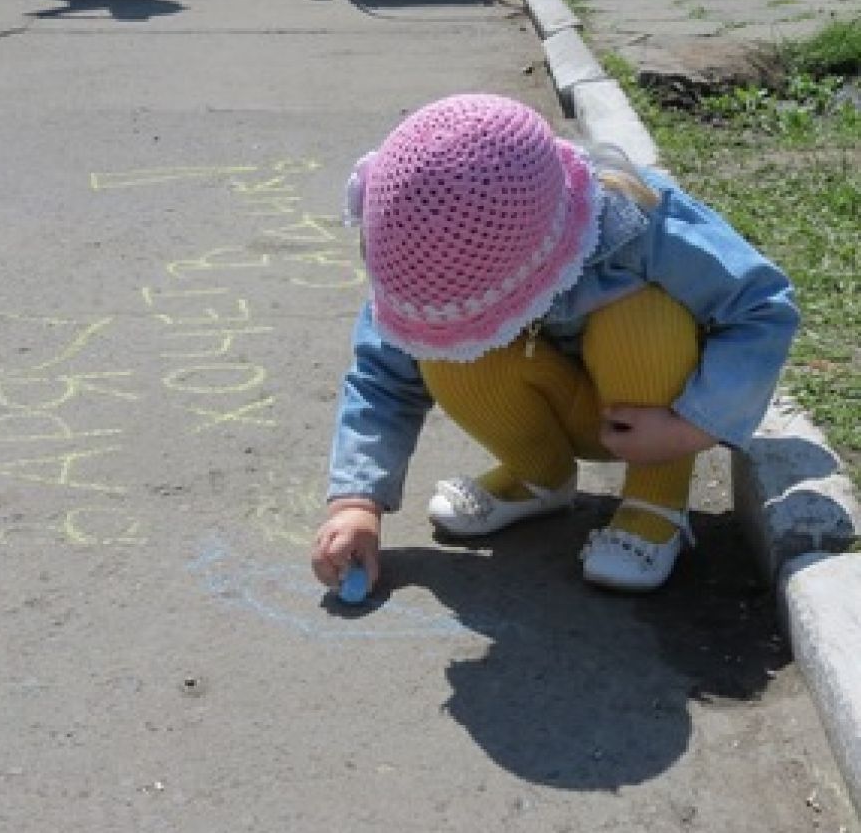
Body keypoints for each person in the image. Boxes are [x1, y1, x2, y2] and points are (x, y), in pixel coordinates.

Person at [311, 94, 798, 597]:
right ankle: (539, 476)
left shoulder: (635, 220)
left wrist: (693, 425)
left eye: (481, 313)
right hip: (558, 403)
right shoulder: (426, 261)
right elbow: (383, 376)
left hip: (655, 421)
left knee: (643, 317)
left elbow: (762, 306)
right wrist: (356, 502)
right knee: (441, 354)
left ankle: (657, 500)